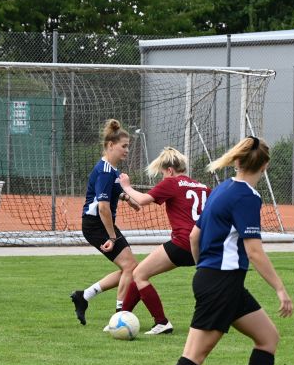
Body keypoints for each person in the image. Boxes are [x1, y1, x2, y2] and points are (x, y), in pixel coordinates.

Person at [160, 136, 294, 365]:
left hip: (221, 282)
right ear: (265, 166)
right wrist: (280, 289)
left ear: (237, 161)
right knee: (194, 354)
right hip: (221, 284)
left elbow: (194, 236)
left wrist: (203, 269)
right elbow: (254, 251)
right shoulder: (247, 197)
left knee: (268, 338)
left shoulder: (222, 189)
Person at [117, 147, 211, 335]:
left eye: (162, 173)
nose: (163, 177)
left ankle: (162, 322)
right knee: (140, 272)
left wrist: (126, 187)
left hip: (183, 243)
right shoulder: (203, 187)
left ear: (169, 170)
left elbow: (143, 200)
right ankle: (122, 318)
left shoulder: (172, 182)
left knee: (139, 274)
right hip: (201, 246)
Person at [69, 119, 140, 326]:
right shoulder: (106, 171)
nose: (127, 150)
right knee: (130, 267)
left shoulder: (111, 169)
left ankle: (84, 296)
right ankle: (120, 316)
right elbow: (103, 208)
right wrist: (112, 236)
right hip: (95, 225)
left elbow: (114, 190)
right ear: (110, 145)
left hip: (98, 224)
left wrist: (127, 199)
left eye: (128, 146)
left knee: (130, 268)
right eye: (124, 146)